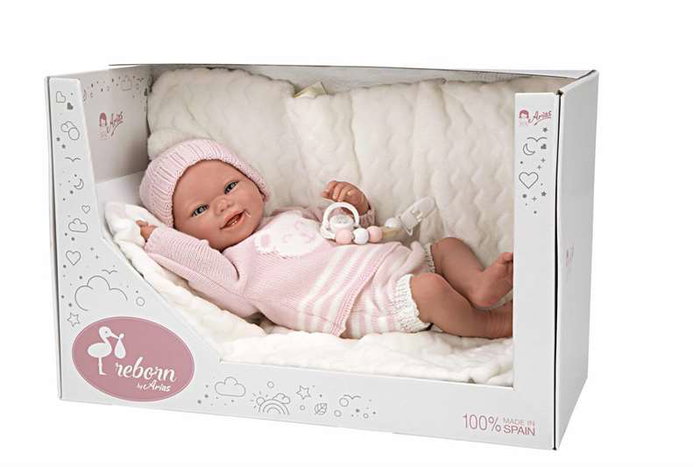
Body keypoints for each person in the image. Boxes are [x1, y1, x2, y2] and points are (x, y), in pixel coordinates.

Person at [137, 139, 513, 339]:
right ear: (183, 232)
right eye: (200, 210)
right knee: (430, 290)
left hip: (392, 262)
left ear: (256, 183)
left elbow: (350, 229)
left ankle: (478, 287)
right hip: (358, 303)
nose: (223, 204)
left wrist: (356, 206)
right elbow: (202, 267)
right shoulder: (234, 268)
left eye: (231, 186)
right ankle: (488, 325)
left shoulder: (290, 214)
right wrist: (163, 241)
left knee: (447, 247)